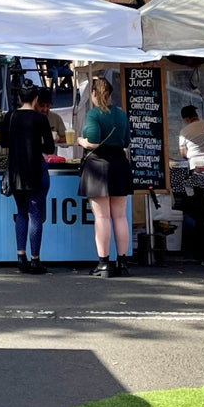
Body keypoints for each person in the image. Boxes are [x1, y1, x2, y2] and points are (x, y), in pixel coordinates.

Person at [78, 76, 132, 278]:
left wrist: (81, 141)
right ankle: (123, 262)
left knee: (102, 216)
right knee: (120, 216)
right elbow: (126, 140)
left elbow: (93, 140)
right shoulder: (121, 114)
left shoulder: (94, 115)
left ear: (94, 94)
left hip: (99, 167)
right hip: (120, 164)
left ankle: (103, 264)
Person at [5, 85, 55, 275]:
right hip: (36, 169)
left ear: (19, 97)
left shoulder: (9, 117)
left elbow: (3, 141)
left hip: (16, 170)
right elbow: (50, 148)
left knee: (21, 212)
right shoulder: (40, 119)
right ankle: (35, 259)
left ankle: (20, 256)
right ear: (35, 99)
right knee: (35, 214)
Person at [178, 105, 204, 266]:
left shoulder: (185, 131)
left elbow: (183, 154)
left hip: (197, 170)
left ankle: (203, 254)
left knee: (201, 212)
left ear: (186, 119)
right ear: (196, 114)